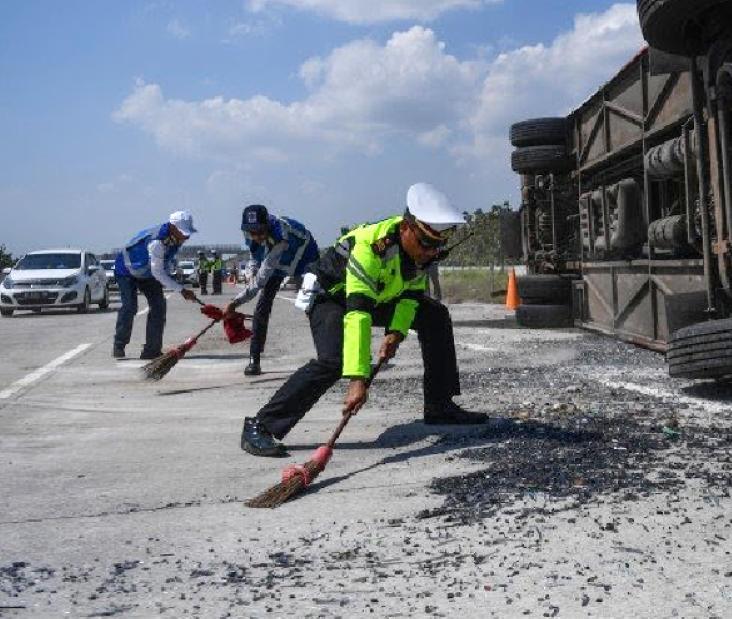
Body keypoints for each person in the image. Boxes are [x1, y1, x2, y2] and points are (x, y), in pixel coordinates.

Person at [240, 183, 488, 457]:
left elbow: (411, 295)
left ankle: (439, 405)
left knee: (435, 315)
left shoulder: (419, 249)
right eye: (426, 244)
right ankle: (260, 426)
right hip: (332, 296)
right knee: (334, 360)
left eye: (437, 247)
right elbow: (358, 314)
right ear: (406, 228)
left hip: (378, 296)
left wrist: (396, 332)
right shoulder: (371, 247)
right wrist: (358, 378)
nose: (430, 253)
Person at [225, 205, 319, 377]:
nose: (257, 237)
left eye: (260, 232)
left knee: (312, 305)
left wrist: (236, 302)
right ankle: (254, 359)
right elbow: (254, 256)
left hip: (304, 260)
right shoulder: (251, 233)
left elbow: (262, 278)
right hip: (278, 264)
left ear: (267, 225)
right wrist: (251, 273)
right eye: (252, 233)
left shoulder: (280, 236)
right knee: (263, 306)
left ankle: (327, 356)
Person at [112, 211, 199, 360]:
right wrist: (182, 290)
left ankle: (151, 350)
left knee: (158, 306)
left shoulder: (175, 239)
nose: (186, 237)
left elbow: (162, 266)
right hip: (126, 271)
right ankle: (119, 344)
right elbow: (158, 273)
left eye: (188, 233)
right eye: (184, 233)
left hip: (147, 273)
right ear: (172, 227)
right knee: (129, 306)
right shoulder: (157, 242)